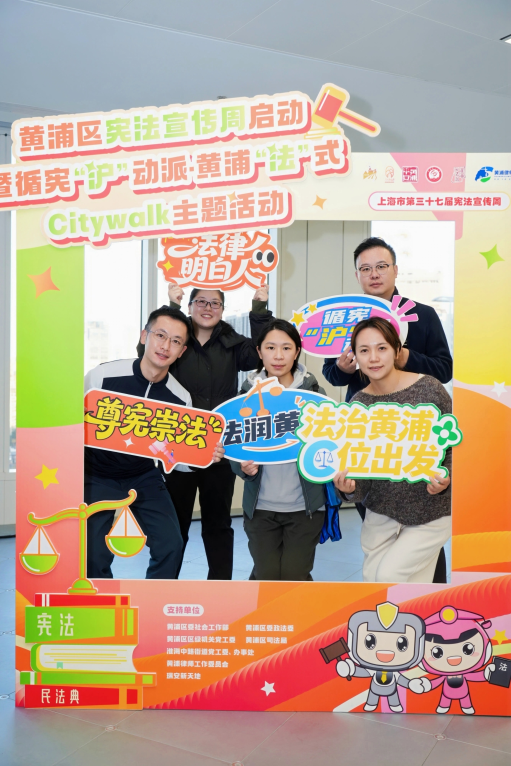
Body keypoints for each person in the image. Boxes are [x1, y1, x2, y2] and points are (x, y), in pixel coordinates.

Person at [322, 236, 452, 583]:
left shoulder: (422, 315)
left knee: (423, 529)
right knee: (377, 518)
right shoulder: (344, 318)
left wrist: (404, 357)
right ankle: (391, 600)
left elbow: (445, 368)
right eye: (365, 268)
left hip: (415, 434)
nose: (374, 274)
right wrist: (344, 368)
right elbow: (330, 373)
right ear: (357, 275)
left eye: (381, 266)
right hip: (368, 430)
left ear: (395, 269)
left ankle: (429, 600)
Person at [159, 283, 272, 580]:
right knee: (174, 525)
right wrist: (171, 307)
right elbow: (148, 352)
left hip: (219, 447)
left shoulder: (232, 343)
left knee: (218, 524)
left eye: (215, 303)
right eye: (201, 302)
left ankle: (220, 588)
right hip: (177, 447)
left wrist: (259, 309)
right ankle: (165, 585)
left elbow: (260, 353)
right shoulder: (176, 341)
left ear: (222, 309)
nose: (207, 308)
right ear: (190, 306)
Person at [85, 307, 194, 580]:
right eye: (160, 335)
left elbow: (177, 461)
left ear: (182, 351)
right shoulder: (102, 376)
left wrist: (201, 455)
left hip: (143, 475)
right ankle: (100, 601)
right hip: (97, 473)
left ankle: (155, 601)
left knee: (171, 544)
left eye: (176, 341)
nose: (165, 346)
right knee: (93, 552)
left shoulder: (181, 398)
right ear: (145, 336)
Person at [232, 319, 327, 581]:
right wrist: (242, 467)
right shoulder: (244, 396)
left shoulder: (315, 394)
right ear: (259, 351)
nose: (278, 356)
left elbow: (330, 447)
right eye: (270, 347)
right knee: (267, 575)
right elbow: (233, 447)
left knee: (295, 575)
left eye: (286, 348)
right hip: (260, 508)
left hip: (305, 508)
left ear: (297, 352)